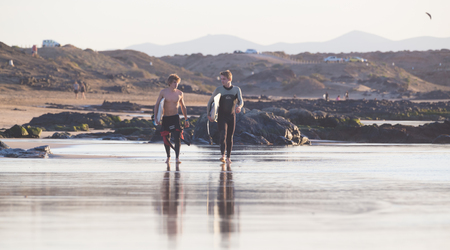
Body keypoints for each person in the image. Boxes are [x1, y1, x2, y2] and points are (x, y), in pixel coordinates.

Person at [207, 70, 244, 164]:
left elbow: (241, 101)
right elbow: (210, 102)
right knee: (223, 135)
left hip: (232, 117)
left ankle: (228, 158)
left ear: (230, 79)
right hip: (221, 116)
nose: (222, 81)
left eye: (224, 79)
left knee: (230, 137)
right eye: (221, 79)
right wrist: (209, 114)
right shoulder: (219, 89)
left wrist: (239, 107)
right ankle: (223, 156)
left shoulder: (236, 89)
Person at [154, 74, 189, 163]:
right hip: (166, 118)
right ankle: (168, 157)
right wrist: (156, 117)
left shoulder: (180, 93)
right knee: (166, 138)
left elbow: (183, 106)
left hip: (175, 117)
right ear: (169, 83)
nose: (176, 84)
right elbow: (157, 104)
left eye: (177, 82)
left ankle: (177, 158)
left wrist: (186, 119)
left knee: (177, 137)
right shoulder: (163, 92)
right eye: (174, 82)